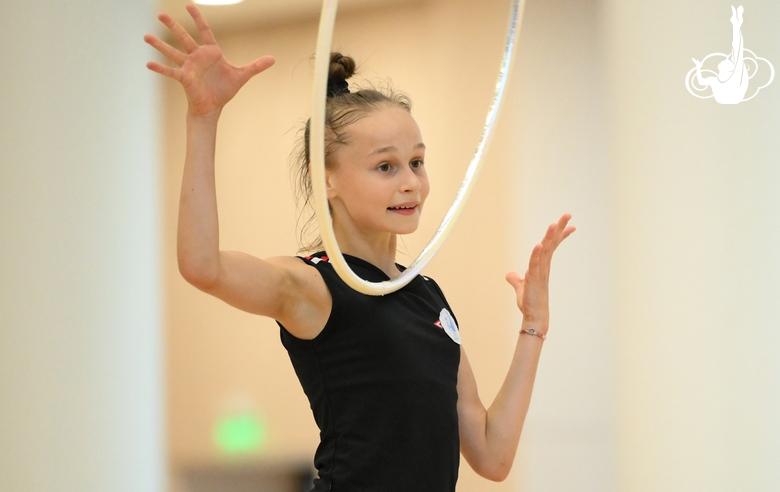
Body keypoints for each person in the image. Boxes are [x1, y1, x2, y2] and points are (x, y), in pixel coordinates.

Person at [144, 4, 574, 491]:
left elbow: (492, 456)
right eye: (385, 167)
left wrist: (533, 324)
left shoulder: (427, 297)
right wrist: (204, 118)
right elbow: (203, 266)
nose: (411, 182)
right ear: (326, 179)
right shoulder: (311, 285)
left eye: (417, 162)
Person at [692, 5, 748, 104]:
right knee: (737, 51)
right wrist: (698, 67)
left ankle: (736, 23)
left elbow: (701, 82)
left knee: (737, 50)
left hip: (731, 97)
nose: (724, 60)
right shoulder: (718, 80)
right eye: (728, 61)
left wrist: (698, 67)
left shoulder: (723, 79)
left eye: (726, 61)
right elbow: (701, 82)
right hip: (730, 97)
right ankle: (736, 23)